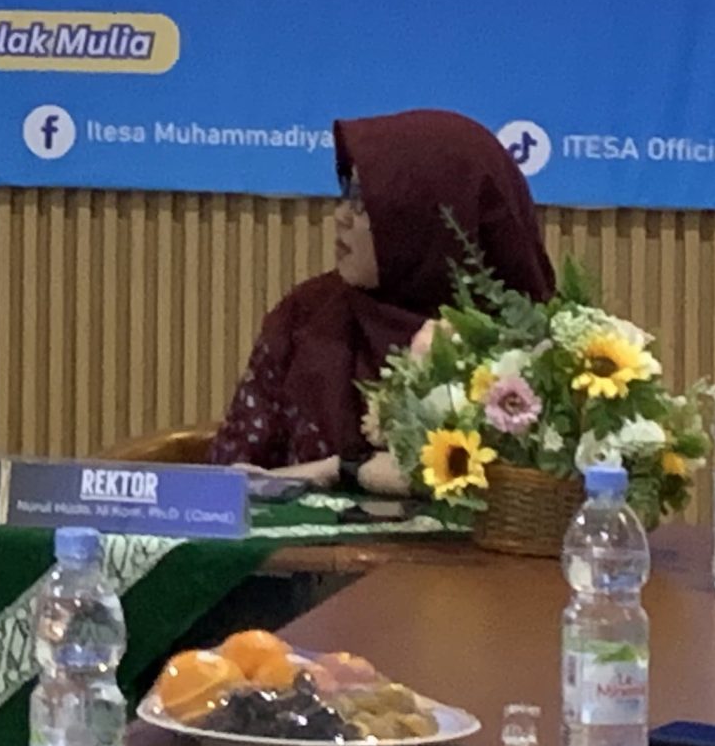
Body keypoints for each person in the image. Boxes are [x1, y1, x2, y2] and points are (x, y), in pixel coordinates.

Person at [208, 109, 551, 480]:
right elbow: (227, 480)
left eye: (363, 202)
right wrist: (337, 472)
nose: (341, 216)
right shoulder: (307, 315)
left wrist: (351, 472)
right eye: (345, 193)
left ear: (427, 218)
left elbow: (513, 488)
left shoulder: (526, 348)